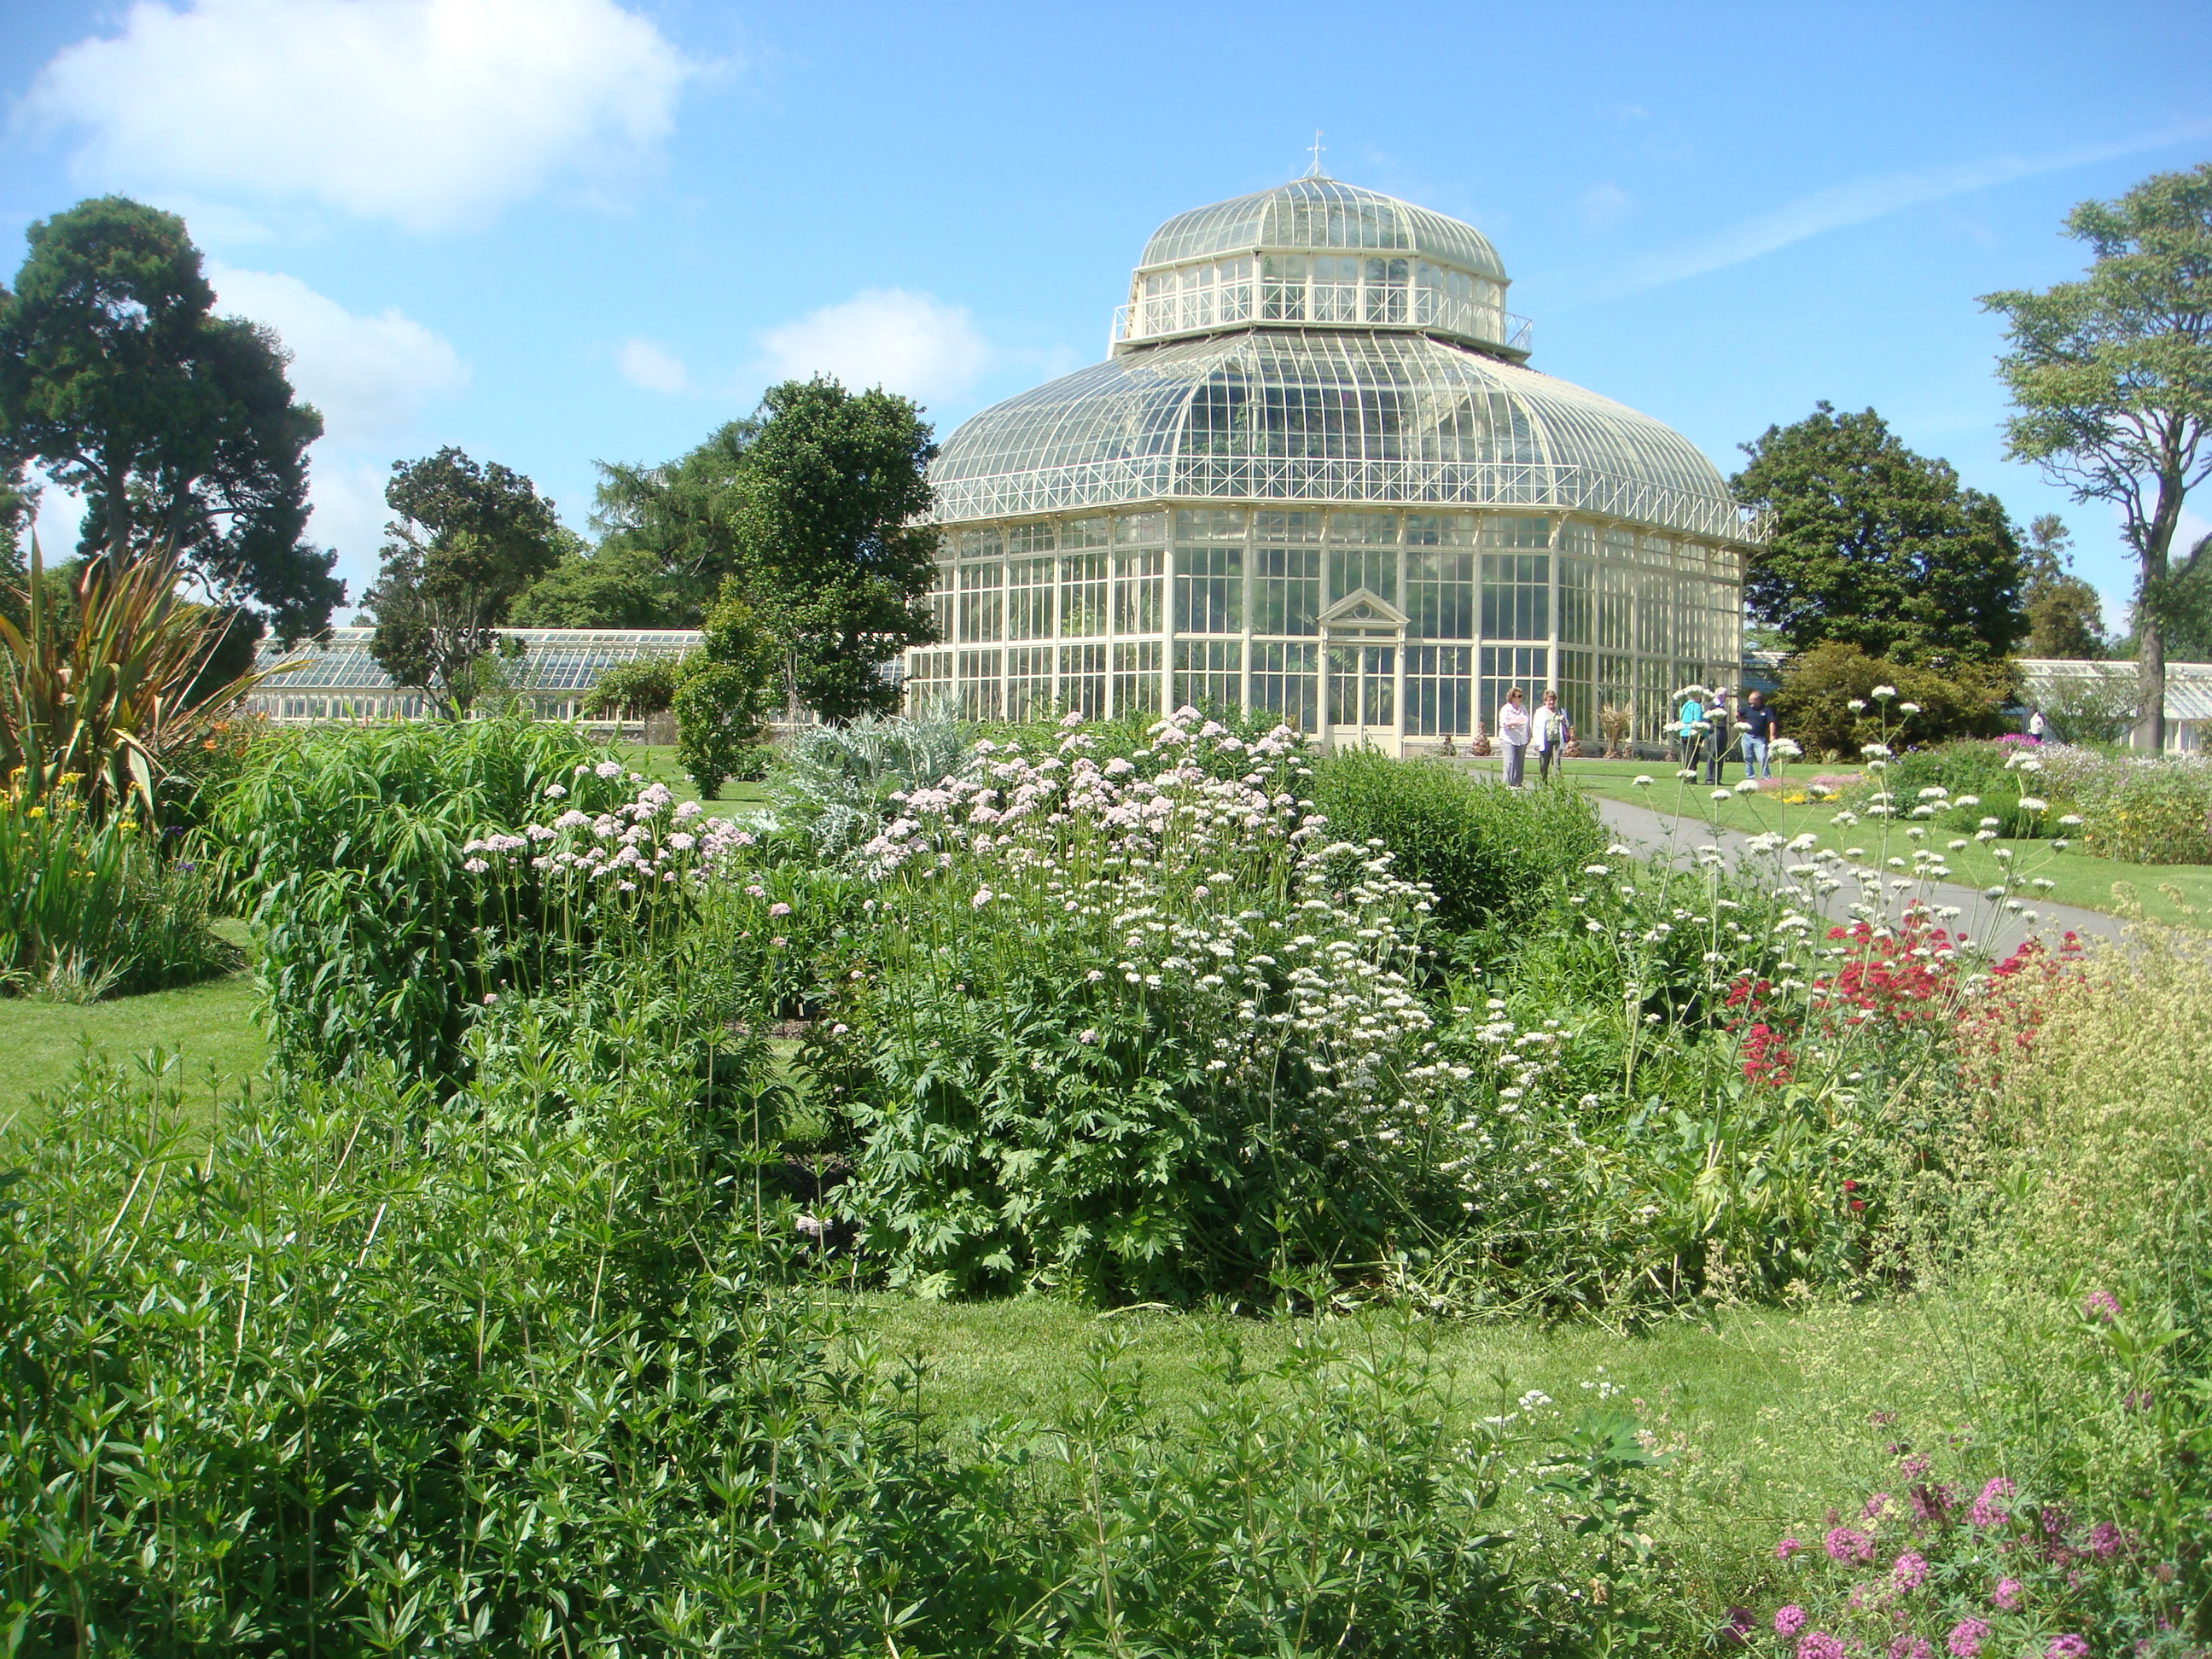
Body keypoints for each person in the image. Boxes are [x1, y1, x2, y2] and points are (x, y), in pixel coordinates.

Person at [1531, 688, 1569, 783]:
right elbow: (1536, 727)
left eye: (1553, 700)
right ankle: (1543, 783)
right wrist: (1537, 743)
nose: (1551, 702)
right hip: (1545, 741)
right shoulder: (1540, 712)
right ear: (1545, 701)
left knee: (1556, 763)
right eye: (1549, 700)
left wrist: (1564, 720)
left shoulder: (1561, 711)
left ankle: (1556, 784)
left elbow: (1567, 726)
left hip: (1557, 741)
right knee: (1544, 763)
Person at [1740, 689, 1778, 779]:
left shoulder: (1766, 710)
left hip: (1759, 738)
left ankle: (1766, 777)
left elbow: (1772, 722)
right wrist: (1742, 724)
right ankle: (1750, 777)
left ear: (1758, 700)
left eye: (1752, 701)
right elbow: (1737, 714)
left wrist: (1772, 735)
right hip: (1746, 737)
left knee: (1762, 758)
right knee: (1747, 758)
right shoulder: (1747, 709)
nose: (1750, 703)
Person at [1498, 686, 1530, 787]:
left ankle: (1518, 784)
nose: (1520, 698)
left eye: (1521, 696)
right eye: (1518, 696)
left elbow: (1527, 722)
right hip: (1508, 739)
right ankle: (1507, 784)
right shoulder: (1506, 709)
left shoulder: (1523, 709)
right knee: (1510, 762)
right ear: (1512, 697)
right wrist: (1515, 722)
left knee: (1520, 763)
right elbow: (1503, 724)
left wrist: (1529, 734)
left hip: (1521, 739)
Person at [1704, 689, 1733, 784]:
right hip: (1715, 731)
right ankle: (1709, 778)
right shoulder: (1711, 705)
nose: (1726, 697)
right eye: (1725, 695)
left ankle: (1717, 778)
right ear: (1720, 695)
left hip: (1723, 730)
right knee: (1713, 754)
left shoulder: (1722, 706)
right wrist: (1711, 730)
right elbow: (1707, 719)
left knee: (1721, 755)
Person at [1677, 687, 1707, 774]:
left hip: (1683, 733)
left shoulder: (1685, 705)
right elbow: (1698, 721)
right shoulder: (1697, 706)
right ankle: (1691, 775)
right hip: (1693, 734)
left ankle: (1686, 774)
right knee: (1693, 756)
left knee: (1686, 756)